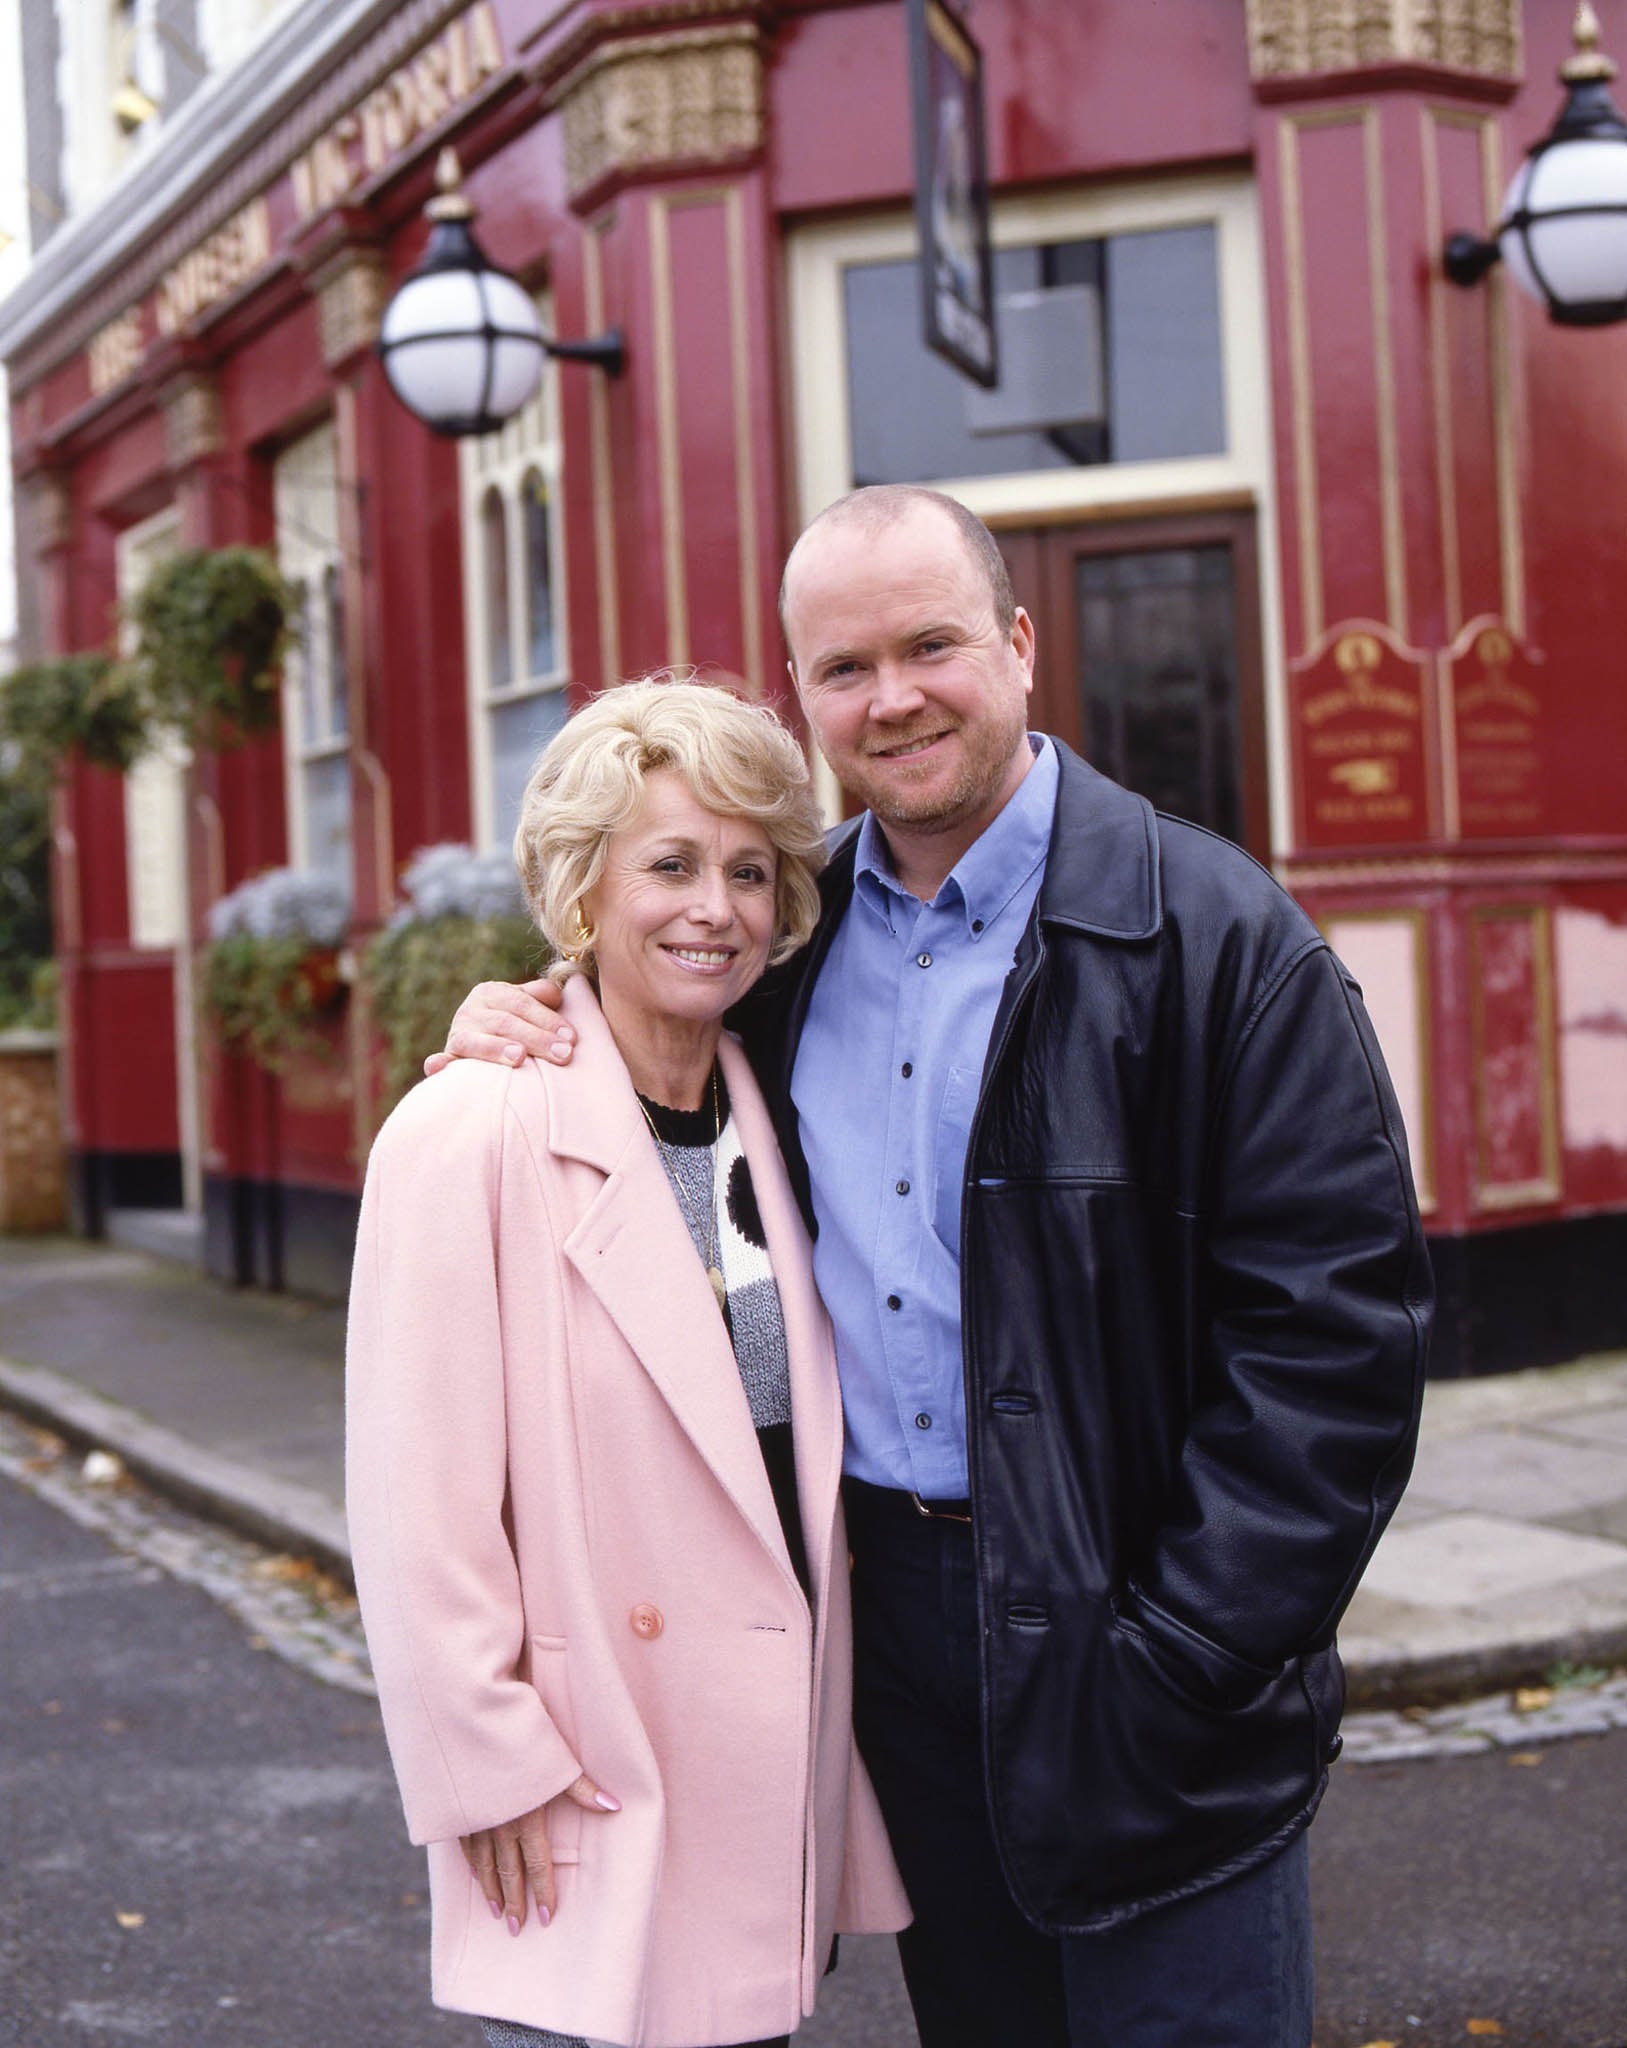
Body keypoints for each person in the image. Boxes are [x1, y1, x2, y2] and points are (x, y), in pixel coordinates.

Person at [431, 487, 1433, 2048]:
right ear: (805, 697)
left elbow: (1338, 1348)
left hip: (1149, 1635)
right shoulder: (784, 942)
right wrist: (533, 1003)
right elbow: (649, 982)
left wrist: (1187, 1654)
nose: (891, 696)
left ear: (1019, 647)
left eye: (931, 645)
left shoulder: (1223, 936)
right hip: (895, 1638)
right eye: (842, 668)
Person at [346, 678, 909, 2048]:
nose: (714, 907)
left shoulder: (771, 1114)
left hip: (758, 1786)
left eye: (749, 872)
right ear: (582, 893)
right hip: (586, 1788)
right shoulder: (469, 1129)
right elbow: (416, 1509)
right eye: (670, 864)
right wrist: (490, 1770)